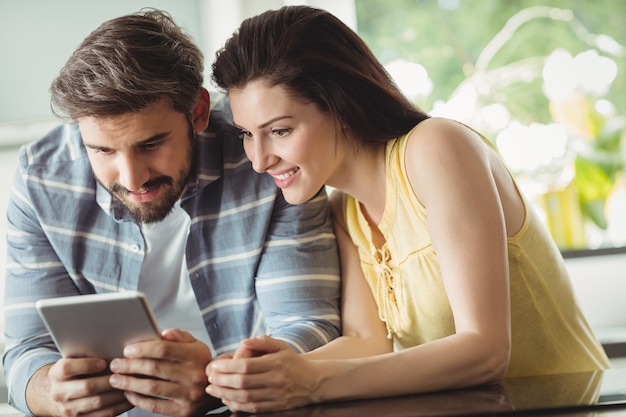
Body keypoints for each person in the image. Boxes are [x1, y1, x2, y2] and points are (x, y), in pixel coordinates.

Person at [204, 5, 611, 413]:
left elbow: (485, 349)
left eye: (279, 131)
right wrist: (269, 373)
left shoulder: (436, 148)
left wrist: (311, 382)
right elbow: (367, 343)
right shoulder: (344, 211)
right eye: (246, 135)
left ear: (341, 106)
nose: (258, 161)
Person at [2, 9, 341, 417]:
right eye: (103, 150)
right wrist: (50, 392)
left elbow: (310, 325)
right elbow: (25, 351)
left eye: (150, 143)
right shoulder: (42, 179)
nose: (132, 179)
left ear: (197, 112)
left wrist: (218, 382)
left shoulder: (265, 159)